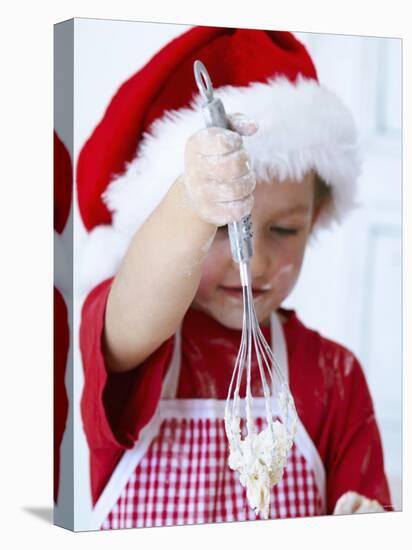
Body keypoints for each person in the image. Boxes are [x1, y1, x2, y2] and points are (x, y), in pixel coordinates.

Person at [77, 26, 392, 530]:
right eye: (221, 228)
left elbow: (369, 515)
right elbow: (139, 303)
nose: (257, 260)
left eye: (285, 229)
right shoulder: (140, 340)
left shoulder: (336, 377)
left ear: (318, 216)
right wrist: (192, 201)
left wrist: (369, 523)